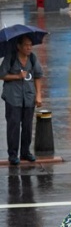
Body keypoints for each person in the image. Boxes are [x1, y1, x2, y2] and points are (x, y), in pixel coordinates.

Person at [2, 36, 43, 165]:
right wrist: (17, 76)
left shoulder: (32, 58)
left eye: (30, 45)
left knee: (27, 127)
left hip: (29, 98)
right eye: (26, 45)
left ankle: (25, 152)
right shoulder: (11, 57)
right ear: (19, 46)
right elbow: (2, 75)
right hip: (13, 98)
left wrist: (38, 95)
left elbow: (37, 76)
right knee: (13, 127)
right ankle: (13, 154)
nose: (29, 47)